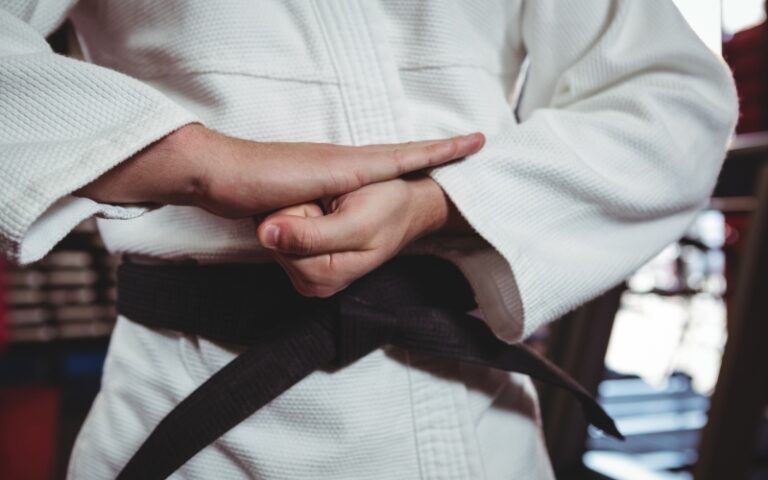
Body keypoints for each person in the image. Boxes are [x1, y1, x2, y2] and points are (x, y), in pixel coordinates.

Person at [0, 1, 737, 478]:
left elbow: (670, 98)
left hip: (476, 417)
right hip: (193, 402)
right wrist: (197, 163)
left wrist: (438, 203)